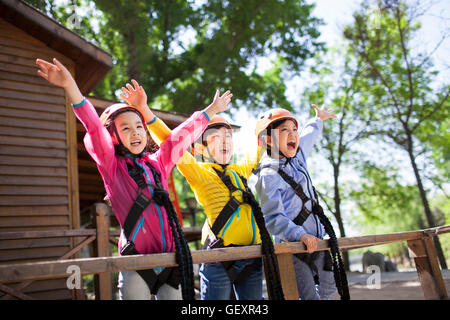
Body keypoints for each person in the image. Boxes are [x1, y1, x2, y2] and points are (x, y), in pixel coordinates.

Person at [35, 58, 231, 300]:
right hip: (136, 262)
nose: (136, 132)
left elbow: (179, 136)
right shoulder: (112, 167)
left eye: (139, 126)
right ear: (113, 136)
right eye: (125, 128)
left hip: (171, 260)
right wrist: (71, 88)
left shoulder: (158, 163)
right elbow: (95, 128)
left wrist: (211, 111)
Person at [121, 85, 284, 300]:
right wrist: (145, 111)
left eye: (229, 137)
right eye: (217, 137)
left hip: (252, 256)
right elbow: (171, 141)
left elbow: (258, 150)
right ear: (198, 149)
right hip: (219, 258)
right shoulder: (199, 172)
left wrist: (267, 128)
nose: (226, 140)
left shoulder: (240, 171)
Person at [254, 106, 350, 300]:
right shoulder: (267, 175)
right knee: (308, 296)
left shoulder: (298, 158)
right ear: (268, 139)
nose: (293, 135)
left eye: (294, 130)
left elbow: (309, 136)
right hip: (294, 248)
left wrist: (318, 120)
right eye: (285, 131)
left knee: (331, 293)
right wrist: (301, 235)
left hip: (318, 242)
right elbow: (272, 218)